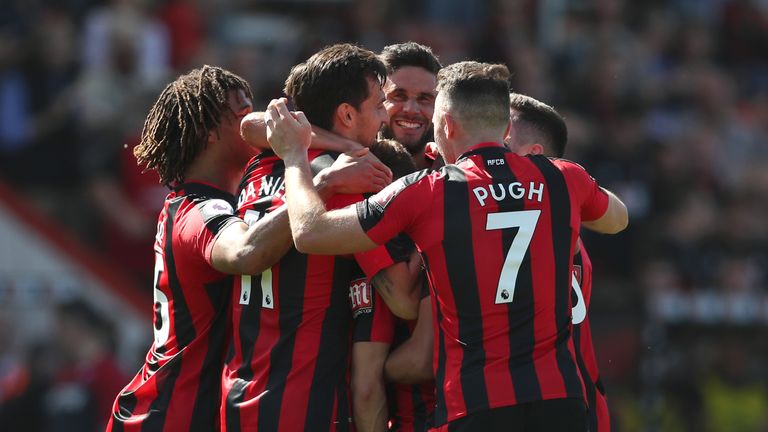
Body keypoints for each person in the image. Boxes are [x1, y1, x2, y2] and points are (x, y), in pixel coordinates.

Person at [265, 61, 628, 431]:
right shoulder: (565, 178)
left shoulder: (429, 189)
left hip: (475, 404)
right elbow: (617, 218)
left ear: (447, 125)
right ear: (505, 129)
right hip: (561, 402)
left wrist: (295, 156)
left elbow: (309, 233)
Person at [107, 65, 378, 431]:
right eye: (241, 113)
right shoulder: (196, 211)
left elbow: (264, 129)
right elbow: (246, 253)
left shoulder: (217, 198)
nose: (258, 121)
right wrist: (324, 182)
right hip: (170, 413)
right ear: (209, 133)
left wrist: (347, 146)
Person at [221, 44, 423, 432]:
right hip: (304, 403)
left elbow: (252, 126)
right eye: (380, 104)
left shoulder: (259, 165)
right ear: (347, 114)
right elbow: (402, 298)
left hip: (238, 396)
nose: (386, 116)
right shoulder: (346, 183)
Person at [506, 92, 611, 432]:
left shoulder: (518, 233)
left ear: (535, 157)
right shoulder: (564, 232)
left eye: (500, 141)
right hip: (577, 404)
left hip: (537, 406)